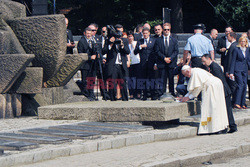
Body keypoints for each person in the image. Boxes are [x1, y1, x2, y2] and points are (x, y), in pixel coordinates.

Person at [180, 65, 228, 135]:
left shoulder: (195, 73)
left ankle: (214, 128)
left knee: (211, 108)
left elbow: (197, 88)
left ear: (187, 71)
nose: (186, 76)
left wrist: (188, 97)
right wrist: (185, 97)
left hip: (211, 87)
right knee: (218, 107)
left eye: (185, 74)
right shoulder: (195, 71)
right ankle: (221, 127)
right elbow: (192, 89)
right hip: (216, 85)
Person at [201, 54, 237, 133]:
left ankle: (232, 126)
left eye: (204, 61)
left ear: (209, 59)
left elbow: (220, 80)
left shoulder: (214, 67)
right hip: (222, 91)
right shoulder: (212, 66)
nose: (203, 63)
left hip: (223, 91)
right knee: (223, 110)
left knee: (227, 110)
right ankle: (226, 126)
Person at [102, 25, 130, 101]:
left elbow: (128, 51)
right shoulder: (108, 41)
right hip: (113, 65)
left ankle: (125, 98)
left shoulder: (124, 40)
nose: (117, 38)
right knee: (112, 83)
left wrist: (122, 46)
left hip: (121, 64)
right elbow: (103, 51)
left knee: (123, 83)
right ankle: (112, 99)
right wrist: (110, 44)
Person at [154, 23, 179, 97]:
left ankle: (172, 92)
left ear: (170, 29)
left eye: (168, 29)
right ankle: (162, 93)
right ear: (162, 30)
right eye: (165, 29)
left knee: (171, 78)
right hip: (162, 62)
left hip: (171, 62)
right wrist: (164, 58)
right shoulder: (158, 40)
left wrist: (170, 58)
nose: (166, 31)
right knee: (162, 79)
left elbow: (176, 51)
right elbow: (157, 51)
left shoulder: (174, 40)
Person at [134, 27, 157, 100]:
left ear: (149, 33)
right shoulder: (140, 41)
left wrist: (155, 63)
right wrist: (140, 47)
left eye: (146, 33)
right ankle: (144, 95)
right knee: (143, 80)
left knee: (152, 79)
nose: (145, 35)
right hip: (143, 63)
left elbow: (156, 51)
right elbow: (135, 52)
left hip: (151, 63)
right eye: (144, 33)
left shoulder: (153, 40)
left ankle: (153, 95)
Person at [229, 37, 250, 109]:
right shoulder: (236, 50)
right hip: (237, 69)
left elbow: (248, 60)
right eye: (241, 41)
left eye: (244, 41)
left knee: (244, 85)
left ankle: (242, 103)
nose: (243, 43)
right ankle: (237, 102)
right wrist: (231, 72)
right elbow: (233, 61)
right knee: (240, 85)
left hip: (244, 69)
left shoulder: (247, 50)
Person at [77, 27, 97, 100]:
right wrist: (89, 57)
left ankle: (92, 94)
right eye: (87, 33)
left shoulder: (93, 41)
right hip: (85, 65)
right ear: (84, 33)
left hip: (92, 64)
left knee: (92, 80)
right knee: (85, 81)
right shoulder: (81, 41)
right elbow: (80, 53)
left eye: (90, 33)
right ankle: (86, 95)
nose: (89, 35)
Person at [127, 31, 141, 99]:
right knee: (130, 79)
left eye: (131, 36)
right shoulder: (126, 44)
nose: (130, 38)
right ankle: (131, 93)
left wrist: (133, 44)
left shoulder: (136, 43)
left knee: (138, 78)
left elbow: (136, 51)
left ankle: (138, 93)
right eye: (129, 36)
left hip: (137, 62)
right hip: (130, 63)